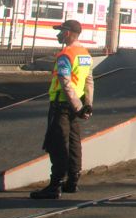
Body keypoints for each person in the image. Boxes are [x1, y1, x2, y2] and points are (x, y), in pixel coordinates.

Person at [30, 20, 94, 199]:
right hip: (76, 106)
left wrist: (78, 106)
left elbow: (65, 84)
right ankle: (72, 181)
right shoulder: (85, 54)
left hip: (61, 105)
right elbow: (89, 81)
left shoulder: (66, 55)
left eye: (60, 31)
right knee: (74, 143)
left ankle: (54, 186)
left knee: (57, 144)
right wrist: (87, 105)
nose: (58, 35)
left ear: (67, 33)